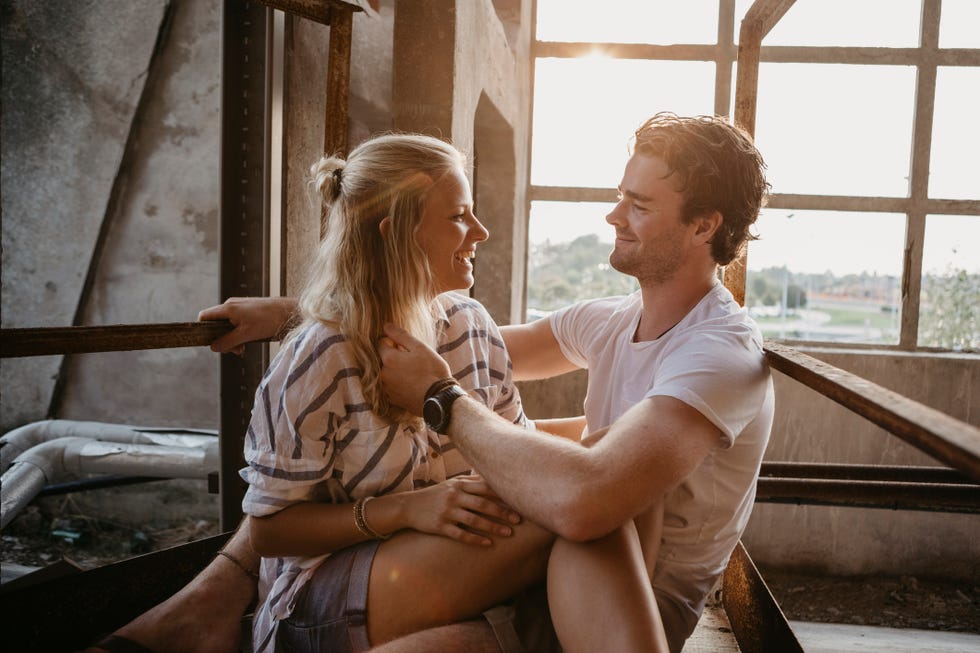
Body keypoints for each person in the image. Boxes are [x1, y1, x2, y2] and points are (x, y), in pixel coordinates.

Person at [87, 112, 771, 653]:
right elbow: (409, 333)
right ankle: (212, 607)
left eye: (637, 203)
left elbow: (587, 496)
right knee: (578, 472)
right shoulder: (606, 321)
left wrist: (443, 400)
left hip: (626, 596)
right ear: (400, 231)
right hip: (519, 565)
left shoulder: (720, 352)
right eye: (620, 196)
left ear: (705, 224)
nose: (612, 214)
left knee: (595, 482)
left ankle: (214, 613)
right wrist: (299, 314)